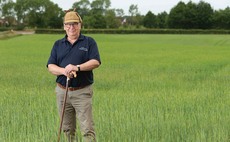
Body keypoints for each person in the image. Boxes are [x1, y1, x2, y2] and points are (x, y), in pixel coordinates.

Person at [47, 9, 101, 142]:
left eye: (75, 24)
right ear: (64, 26)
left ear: (80, 25)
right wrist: (64, 71)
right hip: (62, 91)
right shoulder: (58, 44)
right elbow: (50, 66)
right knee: (67, 129)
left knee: (87, 129)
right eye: (68, 24)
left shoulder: (89, 42)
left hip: (82, 92)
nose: (72, 27)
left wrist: (77, 67)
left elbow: (95, 61)